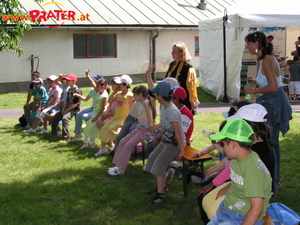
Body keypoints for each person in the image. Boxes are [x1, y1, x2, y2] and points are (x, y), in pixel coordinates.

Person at [198, 104, 275, 224]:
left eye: (224, 143)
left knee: (211, 207)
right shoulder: (242, 154)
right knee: (207, 200)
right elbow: (236, 177)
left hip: (242, 211)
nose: (223, 148)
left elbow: (256, 207)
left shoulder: (254, 164)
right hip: (235, 204)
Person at [244, 31, 292, 192]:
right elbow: (270, 82)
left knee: (271, 145)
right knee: (273, 144)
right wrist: (255, 82)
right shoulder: (265, 59)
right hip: (270, 103)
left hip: (273, 105)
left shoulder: (267, 60)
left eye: (248, 44)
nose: (247, 47)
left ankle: (272, 183)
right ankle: (274, 181)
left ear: (256, 44)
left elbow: (273, 87)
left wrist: (252, 89)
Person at [143, 81, 186, 203]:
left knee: (158, 166)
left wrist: (182, 150)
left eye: (156, 94)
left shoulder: (171, 110)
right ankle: (161, 187)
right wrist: (158, 137)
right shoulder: (164, 107)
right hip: (166, 141)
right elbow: (167, 127)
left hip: (174, 145)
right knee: (150, 163)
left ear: (160, 97)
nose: (155, 95)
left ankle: (160, 195)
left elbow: (177, 132)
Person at [107, 85, 156, 176]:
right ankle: (117, 165)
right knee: (122, 141)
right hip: (139, 127)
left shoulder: (146, 102)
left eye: (135, 94)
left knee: (128, 146)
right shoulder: (139, 103)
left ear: (140, 94)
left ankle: (121, 169)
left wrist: (150, 130)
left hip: (144, 130)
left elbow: (150, 118)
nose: (133, 96)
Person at [95, 75, 134, 156]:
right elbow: (110, 100)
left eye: (120, 84)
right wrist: (115, 92)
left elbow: (131, 108)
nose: (118, 86)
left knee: (111, 128)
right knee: (104, 128)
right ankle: (103, 149)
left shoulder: (130, 96)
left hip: (123, 118)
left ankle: (117, 147)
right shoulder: (119, 93)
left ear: (126, 85)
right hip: (116, 117)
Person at [72, 69, 106, 141]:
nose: (94, 84)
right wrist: (78, 95)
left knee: (84, 117)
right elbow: (86, 99)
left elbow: (91, 82)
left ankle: (90, 140)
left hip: (97, 111)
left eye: (96, 82)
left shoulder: (101, 92)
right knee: (78, 114)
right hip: (93, 108)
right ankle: (78, 134)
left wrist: (87, 75)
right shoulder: (94, 90)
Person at [165, 42, 200, 114]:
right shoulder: (172, 65)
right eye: (172, 52)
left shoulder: (188, 67)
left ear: (181, 53)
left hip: (183, 100)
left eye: (174, 52)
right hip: (171, 98)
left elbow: (191, 86)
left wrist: (192, 101)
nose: (172, 54)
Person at [80, 78, 110, 149]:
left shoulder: (104, 96)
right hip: (95, 113)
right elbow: (92, 82)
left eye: (97, 86)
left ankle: (90, 143)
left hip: (98, 115)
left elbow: (102, 108)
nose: (96, 88)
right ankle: (88, 143)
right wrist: (87, 76)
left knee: (90, 128)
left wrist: (96, 117)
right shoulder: (99, 91)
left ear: (103, 87)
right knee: (89, 128)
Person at [51, 74, 81, 142]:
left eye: (68, 80)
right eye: (66, 80)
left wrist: (67, 110)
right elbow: (67, 101)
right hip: (67, 108)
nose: (66, 81)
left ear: (73, 81)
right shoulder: (69, 89)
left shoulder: (77, 91)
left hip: (73, 109)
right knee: (55, 118)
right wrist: (63, 109)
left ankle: (66, 138)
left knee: (65, 118)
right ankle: (54, 133)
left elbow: (75, 104)